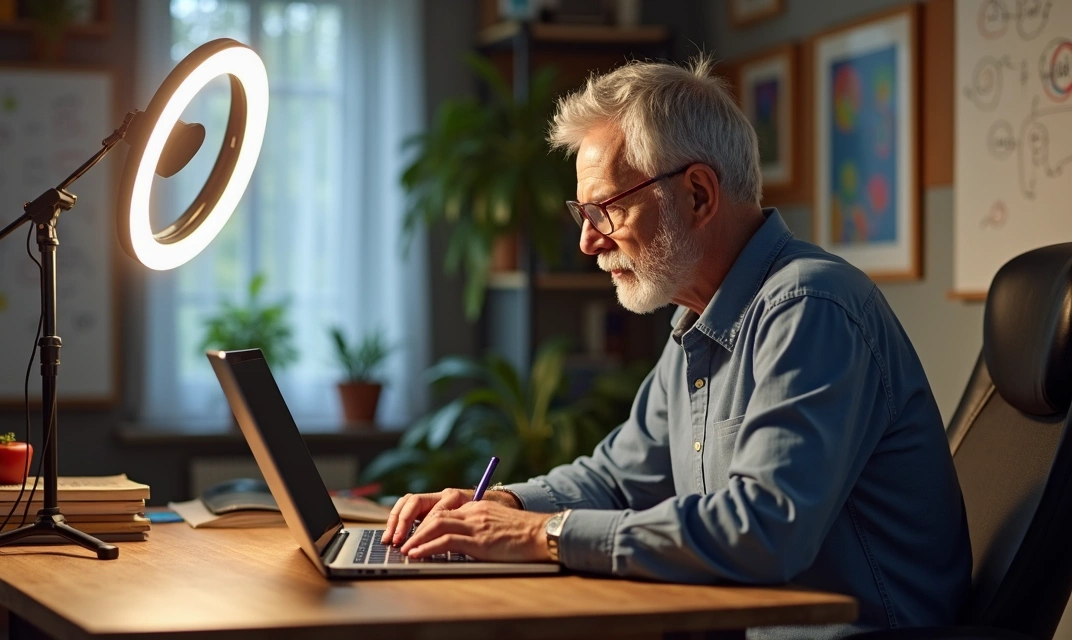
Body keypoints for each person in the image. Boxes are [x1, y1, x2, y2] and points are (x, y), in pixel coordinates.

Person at [381, 57, 971, 639]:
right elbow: (619, 479)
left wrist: (542, 535)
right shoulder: (699, 318)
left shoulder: (810, 308)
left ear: (697, 196)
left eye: (606, 209)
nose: (588, 241)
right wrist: (505, 505)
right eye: (583, 212)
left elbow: (765, 530)